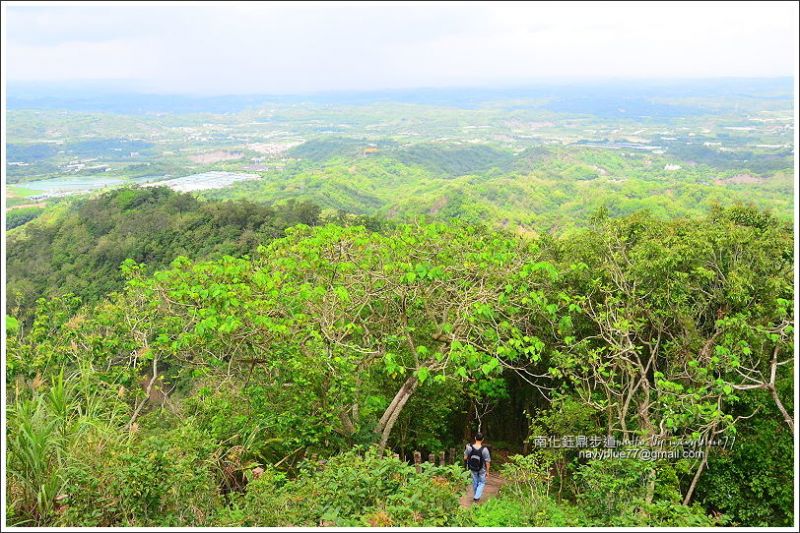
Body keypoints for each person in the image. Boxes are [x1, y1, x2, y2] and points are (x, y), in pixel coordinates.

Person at [464, 432, 491, 502]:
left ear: (475, 438)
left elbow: (465, 457)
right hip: (482, 469)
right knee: (482, 482)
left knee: (474, 482)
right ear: (483, 439)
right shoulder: (484, 450)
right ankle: (476, 497)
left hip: (472, 467)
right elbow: (487, 461)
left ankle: (476, 495)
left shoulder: (469, 447)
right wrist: (487, 472)